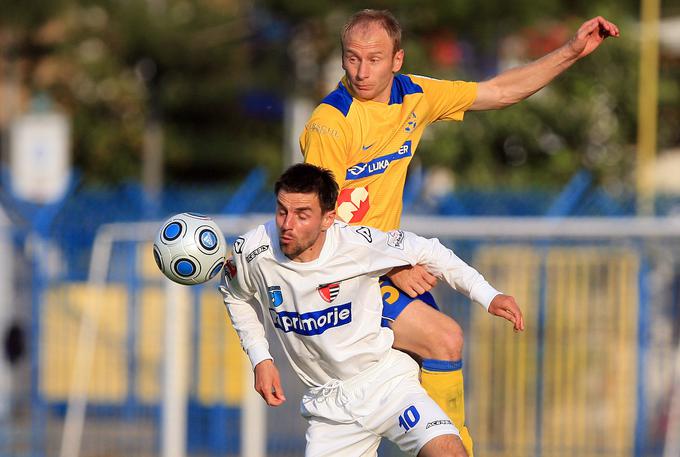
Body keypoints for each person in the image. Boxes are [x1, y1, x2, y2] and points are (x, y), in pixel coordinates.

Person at [300, 9, 618, 455]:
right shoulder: (330, 124)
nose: (361, 71)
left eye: (374, 59)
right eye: (352, 59)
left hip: (379, 268)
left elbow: (501, 90)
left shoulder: (415, 95)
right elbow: (320, 228)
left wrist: (570, 51)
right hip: (340, 281)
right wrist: (392, 270)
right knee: (443, 339)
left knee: (428, 361)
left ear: (397, 59)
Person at [219, 163, 523, 457]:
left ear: (328, 219)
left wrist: (488, 295)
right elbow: (234, 294)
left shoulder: (356, 244)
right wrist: (261, 358)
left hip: (386, 384)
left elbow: (430, 251)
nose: (287, 224)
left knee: (450, 453)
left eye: (302, 215)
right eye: (282, 211)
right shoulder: (253, 251)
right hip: (329, 410)